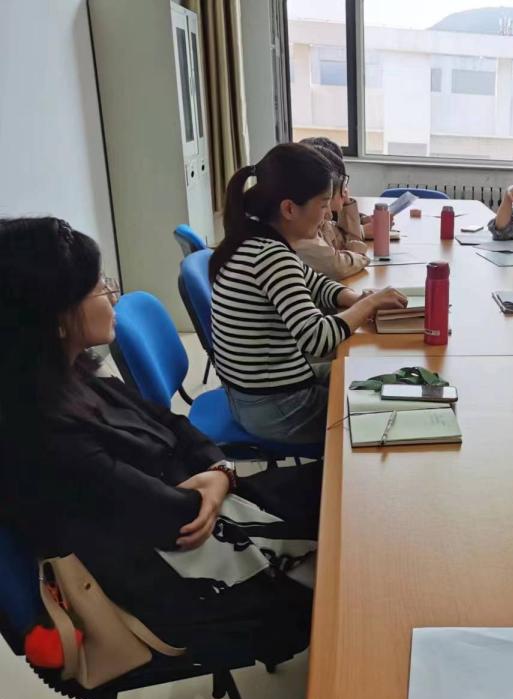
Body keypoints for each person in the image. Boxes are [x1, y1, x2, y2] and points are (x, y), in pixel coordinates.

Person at [0, 217, 321, 665]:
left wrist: (218, 472)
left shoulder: (71, 373)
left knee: (343, 492)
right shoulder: (42, 430)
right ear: (54, 319)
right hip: (169, 582)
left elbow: (172, 423)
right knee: (344, 552)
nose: (112, 294)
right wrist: (216, 481)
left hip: (199, 511)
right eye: (97, 287)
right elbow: (174, 520)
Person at [210, 142, 406, 445]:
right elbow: (317, 338)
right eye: (323, 204)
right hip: (276, 407)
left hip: (255, 396)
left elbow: (315, 283)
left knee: (370, 375)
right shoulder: (272, 257)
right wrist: (369, 304)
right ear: (289, 208)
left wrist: (355, 299)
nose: (328, 215)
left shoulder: (252, 239)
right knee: (386, 413)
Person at [294, 136, 371, 280]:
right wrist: (359, 254)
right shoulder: (304, 226)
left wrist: (347, 204)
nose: (329, 214)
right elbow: (336, 265)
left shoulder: (318, 219)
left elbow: (346, 241)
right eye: (342, 183)